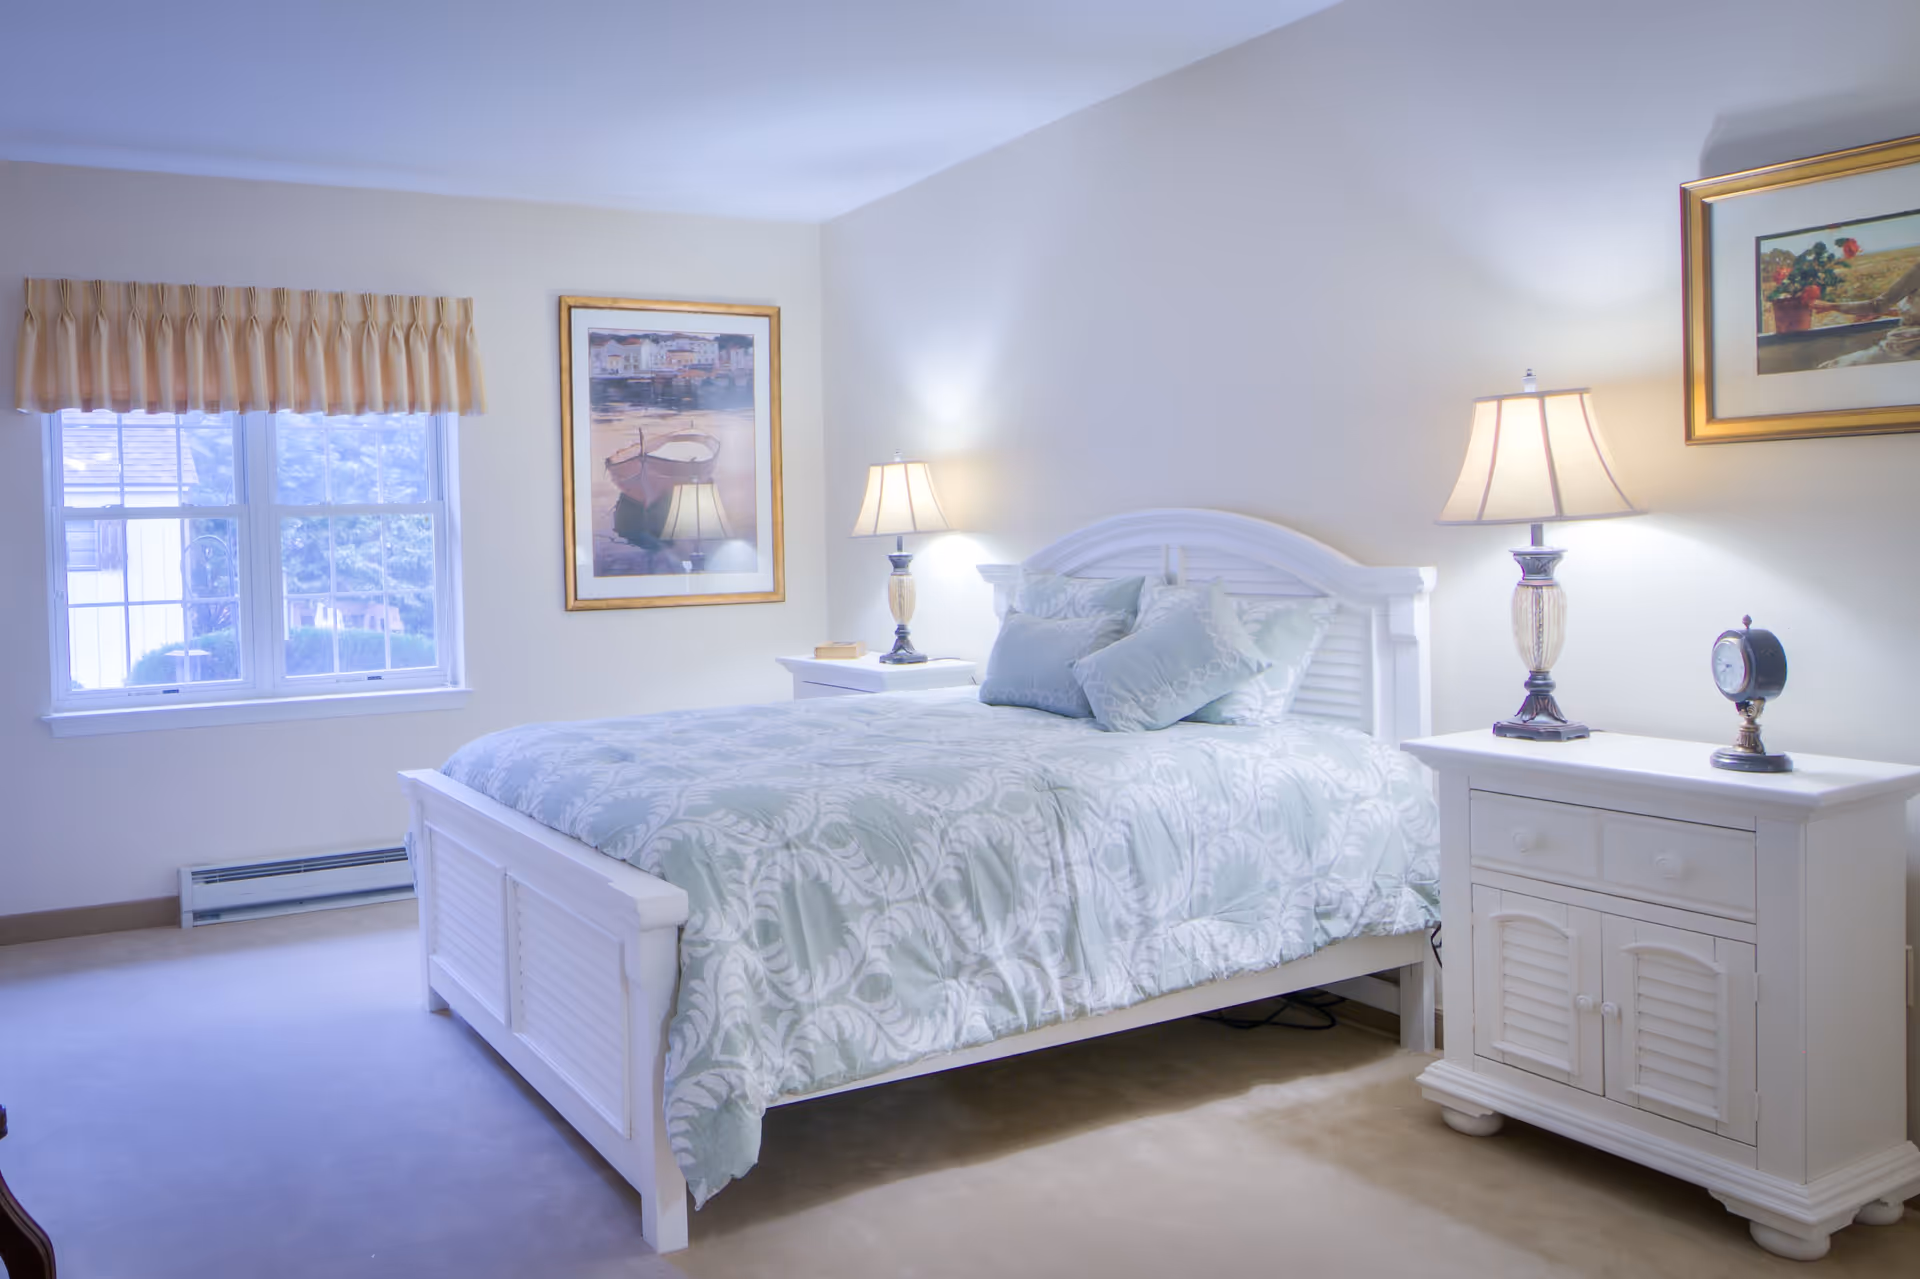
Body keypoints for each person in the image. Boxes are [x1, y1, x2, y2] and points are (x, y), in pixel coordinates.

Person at [1811, 258, 1920, 367]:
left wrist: (1831, 306)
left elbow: (1877, 305)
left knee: (1830, 367)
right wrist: (1888, 313)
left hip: (1906, 346)